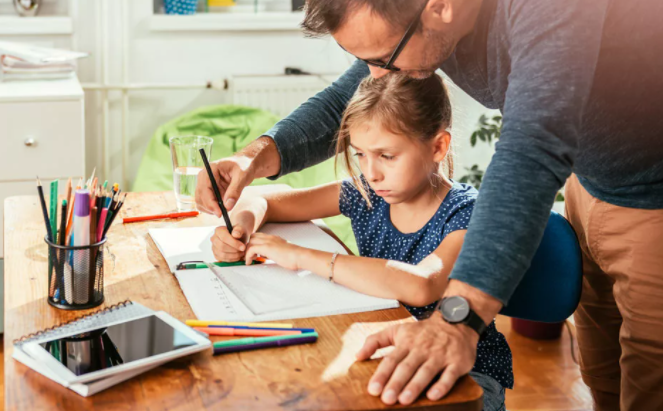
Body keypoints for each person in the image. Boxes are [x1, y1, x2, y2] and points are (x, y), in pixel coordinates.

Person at [195, 0, 663, 409]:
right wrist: (254, 156)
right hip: (591, 182)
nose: (375, 75)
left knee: (650, 383)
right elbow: (344, 102)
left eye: (381, 59)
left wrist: (458, 318)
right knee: (604, 375)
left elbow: (532, 146)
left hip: (653, 193)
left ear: (438, 9)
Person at [212, 73, 512, 410]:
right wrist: (243, 225)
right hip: (385, 349)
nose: (372, 172)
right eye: (360, 155)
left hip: (466, 373)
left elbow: (421, 286)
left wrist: (299, 256)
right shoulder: (368, 194)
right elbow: (266, 199)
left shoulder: (466, 213)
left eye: (386, 156)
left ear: (438, 146)